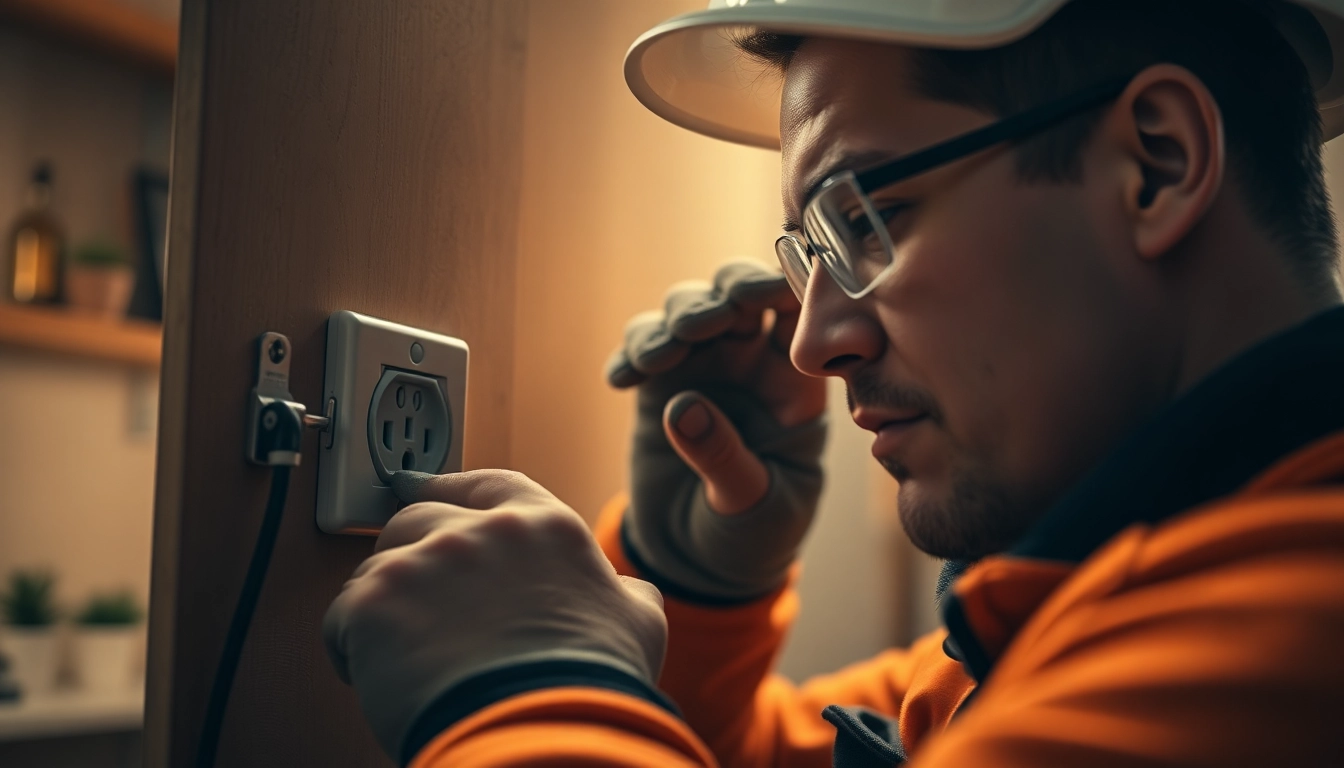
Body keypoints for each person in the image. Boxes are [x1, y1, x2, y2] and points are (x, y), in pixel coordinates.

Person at [322, 0, 1344, 765]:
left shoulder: (1288, 636)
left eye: (869, 218)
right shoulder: (1034, 632)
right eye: (811, 249)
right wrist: (694, 590)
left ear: (1156, 164)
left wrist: (525, 691)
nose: (815, 343)